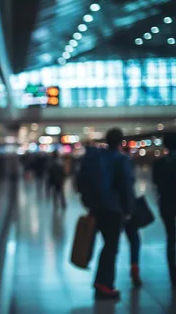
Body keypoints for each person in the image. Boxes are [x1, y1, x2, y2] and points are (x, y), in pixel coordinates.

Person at [78, 128, 135, 300]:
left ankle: (100, 282)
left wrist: (90, 204)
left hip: (96, 208)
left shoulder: (95, 157)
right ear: (120, 142)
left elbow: (80, 181)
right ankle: (104, 285)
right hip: (113, 210)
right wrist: (129, 210)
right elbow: (126, 186)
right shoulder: (121, 159)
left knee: (104, 245)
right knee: (111, 247)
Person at [152, 133, 176, 287]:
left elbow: (155, 182)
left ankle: (173, 275)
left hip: (166, 203)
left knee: (170, 238)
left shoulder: (159, 163)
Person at [122, 146, 142, 287]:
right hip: (125, 206)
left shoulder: (103, 161)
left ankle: (104, 281)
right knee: (134, 239)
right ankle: (134, 266)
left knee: (110, 244)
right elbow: (129, 185)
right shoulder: (124, 161)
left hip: (109, 208)